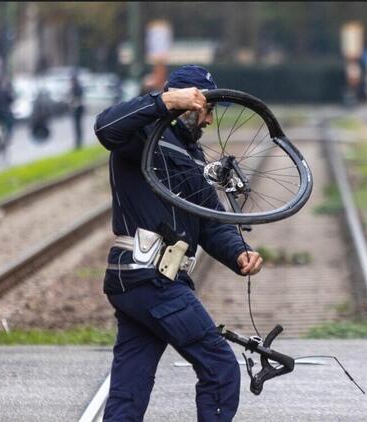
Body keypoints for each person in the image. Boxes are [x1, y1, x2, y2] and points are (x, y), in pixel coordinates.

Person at [94, 65, 263, 421]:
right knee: (220, 368)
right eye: (207, 108)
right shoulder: (141, 134)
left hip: (148, 281)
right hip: (149, 277)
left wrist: (239, 253)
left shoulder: (193, 156)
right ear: (188, 102)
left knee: (130, 388)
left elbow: (210, 221)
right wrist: (164, 101)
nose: (209, 120)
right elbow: (105, 127)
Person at [69, 72, 85, 149]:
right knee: (76, 127)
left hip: (78, 109)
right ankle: (77, 142)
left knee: (78, 126)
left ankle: (79, 143)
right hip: (75, 109)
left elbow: (78, 99)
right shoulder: (73, 88)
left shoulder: (78, 88)